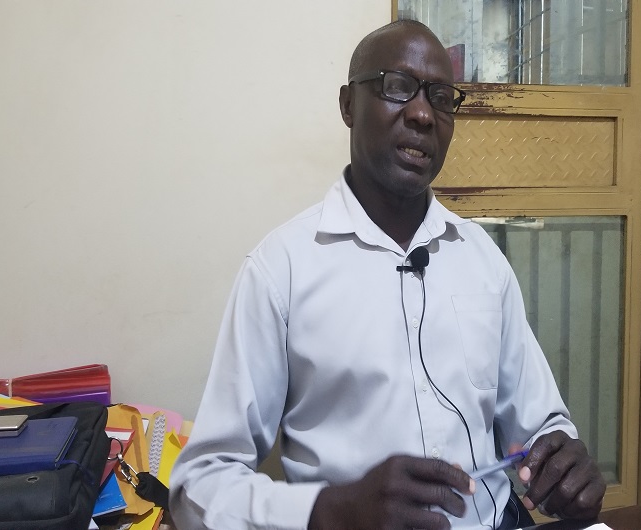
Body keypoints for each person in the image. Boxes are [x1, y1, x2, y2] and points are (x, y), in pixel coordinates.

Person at [169, 19, 605, 530]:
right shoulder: (281, 270)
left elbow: (538, 424)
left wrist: (561, 461)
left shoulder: (483, 260)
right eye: (397, 88)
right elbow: (198, 487)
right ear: (348, 105)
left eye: (441, 97)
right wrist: (329, 511)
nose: (422, 114)